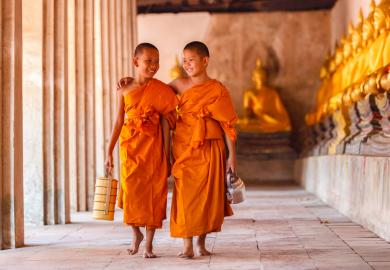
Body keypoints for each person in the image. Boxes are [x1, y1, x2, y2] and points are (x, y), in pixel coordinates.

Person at [105, 43, 178, 258]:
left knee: (154, 194)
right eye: (148, 61)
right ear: (136, 62)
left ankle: (149, 244)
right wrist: (109, 151)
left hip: (153, 147)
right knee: (130, 193)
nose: (154, 66)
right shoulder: (124, 89)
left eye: (156, 61)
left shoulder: (162, 90)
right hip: (130, 149)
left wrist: (167, 154)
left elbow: (167, 124)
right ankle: (135, 233)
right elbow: (118, 122)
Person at [169, 41, 238, 258]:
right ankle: (186, 246)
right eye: (185, 60)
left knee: (207, 197)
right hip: (185, 147)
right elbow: (152, 92)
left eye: (191, 59)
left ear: (205, 61)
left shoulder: (218, 89)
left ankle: (200, 243)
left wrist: (232, 157)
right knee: (185, 196)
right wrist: (132, 82)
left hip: (211, 147)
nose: (187, 64)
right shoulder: (179, 85)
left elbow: (227, 125)